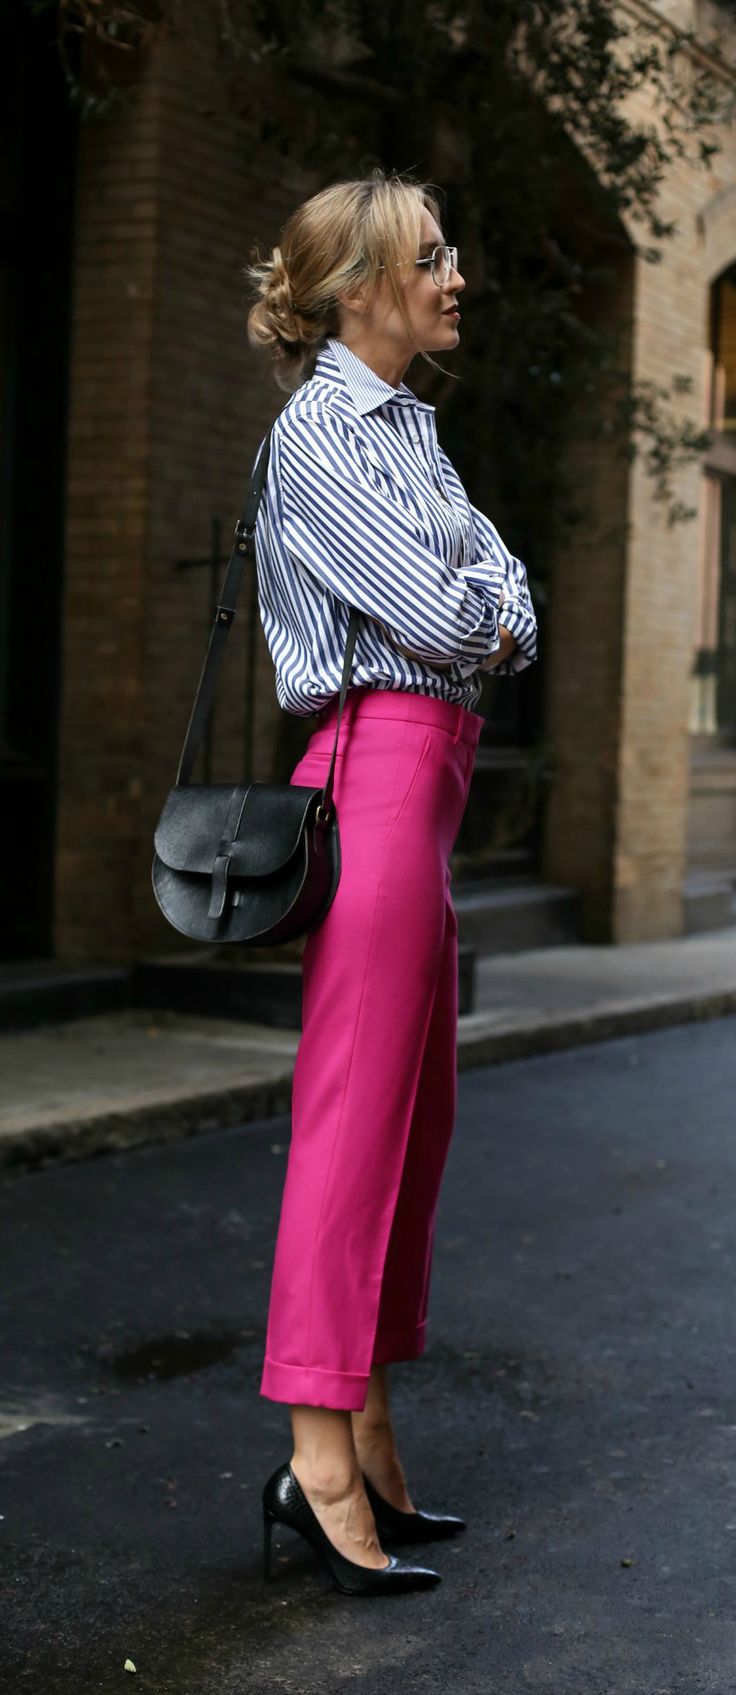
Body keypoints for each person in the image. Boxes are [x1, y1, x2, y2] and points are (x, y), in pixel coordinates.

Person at [244, 168, 537, 1597]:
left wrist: (482, 598)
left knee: (416, 1121)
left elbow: (509, 592)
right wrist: (478, 599)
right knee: (353, 1124)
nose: (456, 273)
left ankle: (362, 1416)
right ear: (359, 290)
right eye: (431, 257)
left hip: (430, 784)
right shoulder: (319, 436)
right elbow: (446, 607)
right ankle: (314, 1450)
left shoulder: (410, 431)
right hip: (370, 772)